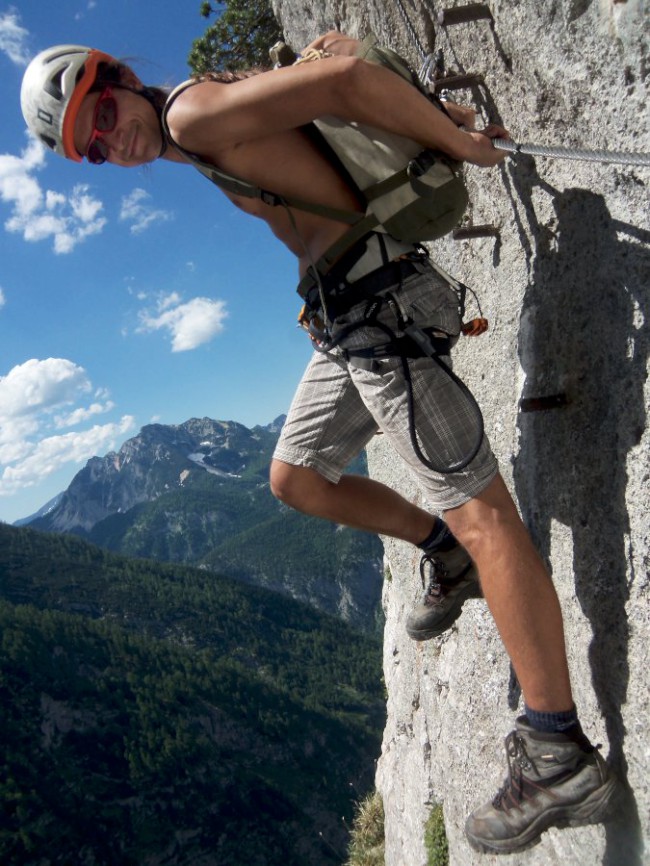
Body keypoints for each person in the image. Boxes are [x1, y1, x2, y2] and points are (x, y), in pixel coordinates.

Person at [21, 31, 619, 854]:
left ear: (119, 79)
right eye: (90, 147)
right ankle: (444, 552)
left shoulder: (190, 114)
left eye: (104, 112)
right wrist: (296, 69)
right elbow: (311, 97)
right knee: (293, 476)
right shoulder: (200, 117)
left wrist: (456, 141)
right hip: (347, 319)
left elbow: (342, 81)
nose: (110, 140)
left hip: (378, 309)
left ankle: (555, 747)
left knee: (488, 515)